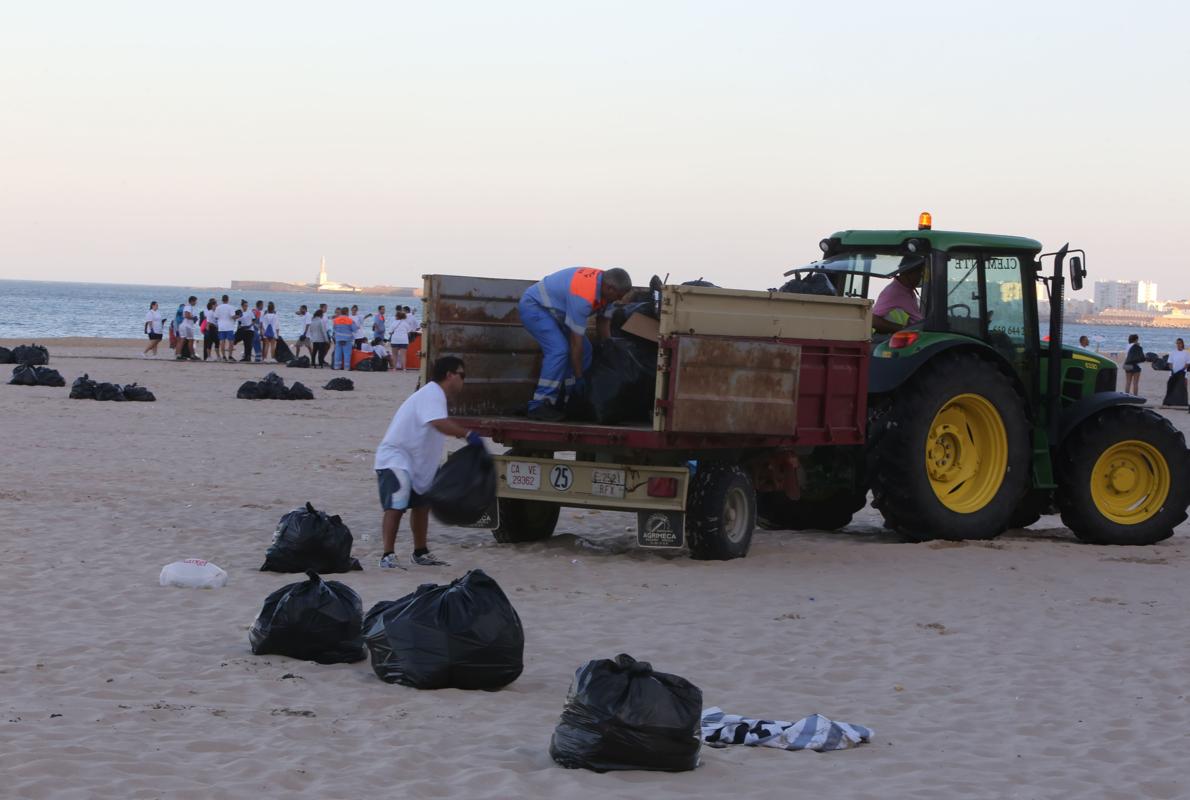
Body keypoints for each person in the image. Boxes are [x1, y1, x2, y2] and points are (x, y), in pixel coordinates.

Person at [374, 355, 480, 568]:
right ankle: (387, 555)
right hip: (396, 458)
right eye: (462, 375)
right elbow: (438, 423)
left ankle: (420, 552)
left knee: (422, 504)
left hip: (417, 462)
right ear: (449, 375)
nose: (463, 380)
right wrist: (467, 435)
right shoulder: (432, 393)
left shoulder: (436, 395)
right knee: (396, 505)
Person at [518, 266, 632, 421]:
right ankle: (539, 404)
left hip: (557, 312)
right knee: (559, 350)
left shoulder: (606, 288)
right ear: (609, 288)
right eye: (618, 295)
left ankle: (567, 399)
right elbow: (575, 343)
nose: (619, 299)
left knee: (587, 351)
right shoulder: (584, 296)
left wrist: (609, 348)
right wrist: (578, 378)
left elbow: (603, 322)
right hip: (535, 307)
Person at [872, 262, 925, 334]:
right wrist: (904, 329)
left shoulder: (908, 290)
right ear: (907, 273)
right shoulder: (893, 292)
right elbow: (874, 320)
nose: (921, 277)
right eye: (919, 273)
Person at [213, 294, 237, 361]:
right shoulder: (230, 307)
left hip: (221, 327)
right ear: (228, 299)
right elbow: (233, 316)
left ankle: (223, 356)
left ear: (222, 300)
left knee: (222, 342)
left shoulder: (218, 307)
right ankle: (230, 356)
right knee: (231, 342)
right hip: (229, 327)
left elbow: (215, 317)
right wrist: (238, 316)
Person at [1165, 338, 1188, 407]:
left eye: (1180, 343)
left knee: (1183, 387)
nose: (1178, 345)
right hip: (1173, 372)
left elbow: (1187, 363)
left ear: (1182, 344)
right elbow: (1170, 363)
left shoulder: (1186, 353)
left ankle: (1182, 402)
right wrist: (1172, 370)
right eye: (1177, 343)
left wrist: (1181, 370)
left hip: (1183, 372)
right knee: (1171, 386)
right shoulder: (1172, 352)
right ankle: (1170, 401)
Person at [176, 296, 199, 360]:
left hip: (186, 325)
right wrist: (194, 318)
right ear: (192, 301)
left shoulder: (189, 307)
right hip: (187, 326)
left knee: (185, 340)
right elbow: (186, 315)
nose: (196, 302)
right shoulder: (188, 307)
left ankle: (180, 354)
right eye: (195, 301)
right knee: (188, 340)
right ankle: (191, 355)